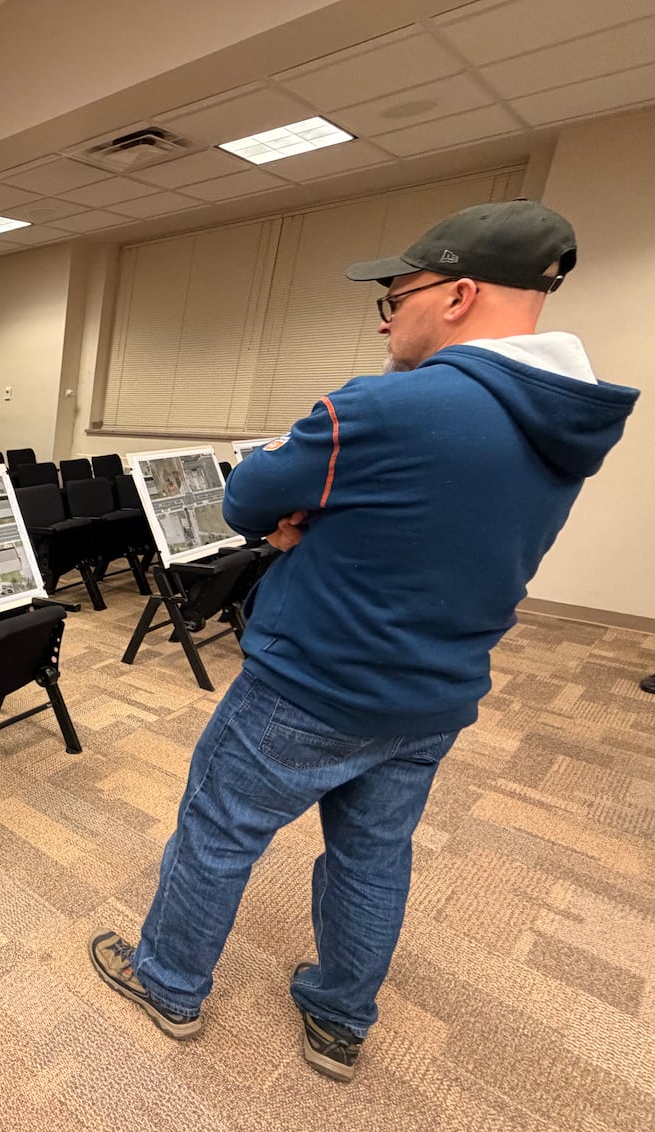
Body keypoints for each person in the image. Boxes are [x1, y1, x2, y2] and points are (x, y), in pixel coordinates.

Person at [89, 200, 637, 1083]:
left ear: (457, 295)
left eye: (396, 297)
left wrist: (300, 502)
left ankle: (168, 981)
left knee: (217, 833)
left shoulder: (384, 407)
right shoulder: (569, 420)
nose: (388, 319)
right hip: (436, 691)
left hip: (311, 684)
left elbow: (245, 500)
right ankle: (340, 1018)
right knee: (374, 854)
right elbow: (434, 527)